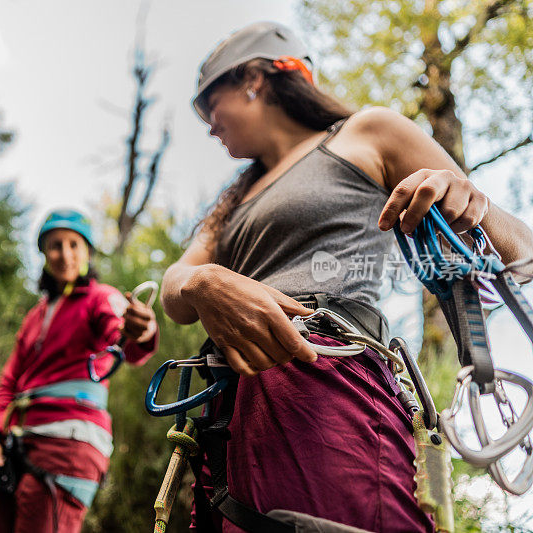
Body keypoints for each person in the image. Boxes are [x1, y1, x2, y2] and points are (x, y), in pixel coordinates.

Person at [160, 21, 533, 532]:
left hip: (328, 381)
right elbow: (175, 289)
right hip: (229, 413)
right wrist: (202, 283)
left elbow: (522, 250)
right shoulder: (231, 199)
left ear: (254, 78)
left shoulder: (367, 132)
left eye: (209, 105)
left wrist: (470, 201)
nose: (209, 125)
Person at [0, 209, 159, 533]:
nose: (64, 254)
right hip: (19, 441)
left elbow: (124, 337)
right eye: (55, 245)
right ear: (43, 254)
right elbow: (9, 381)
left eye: (74, 245)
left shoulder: (101, 298)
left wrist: (142, 330)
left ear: (87, 253)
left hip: (70, 445)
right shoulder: (35, 316)